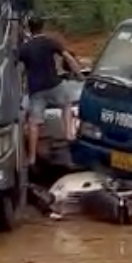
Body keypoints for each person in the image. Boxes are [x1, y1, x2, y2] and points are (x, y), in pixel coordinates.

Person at [18, 15, 84, 165]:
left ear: (29, 28)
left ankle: (32, 157)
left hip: (36, 90)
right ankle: (68, 134)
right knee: (67, 104)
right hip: (54, 84)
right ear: (43, 26)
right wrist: (79, 74)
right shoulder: (50, 42)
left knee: (34, 122)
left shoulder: (25, 48)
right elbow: (68, 58)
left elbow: (16, 65)